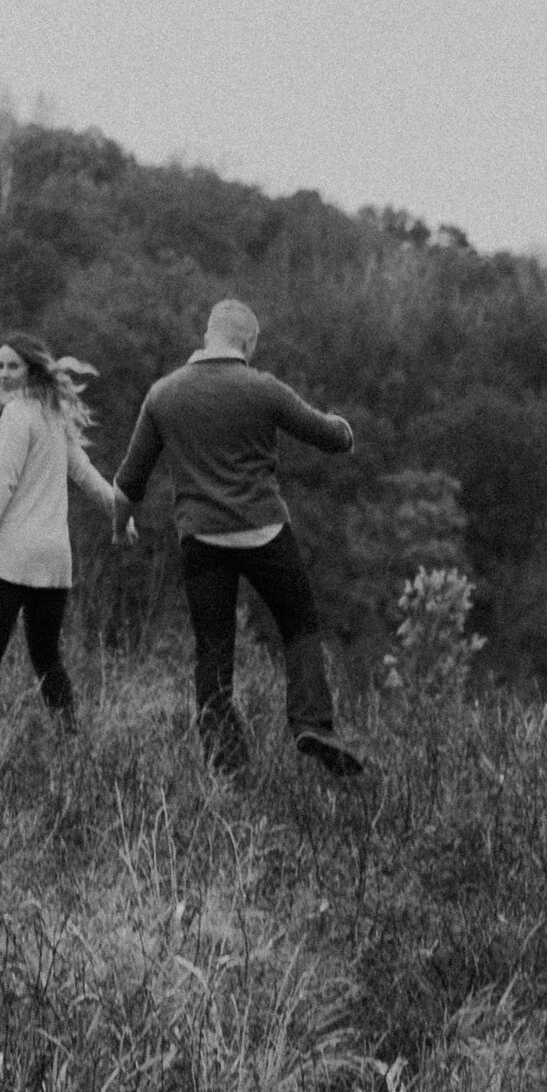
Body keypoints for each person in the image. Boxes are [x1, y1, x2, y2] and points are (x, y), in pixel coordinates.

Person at [112, 298, 369, 776]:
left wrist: (119, 523)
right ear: (248, 343)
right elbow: (326, 435)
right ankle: (313, 724)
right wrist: (347, 429)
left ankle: (226, 762)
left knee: (213, 647)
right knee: (299, 624)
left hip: (202, 540)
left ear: (208, 334)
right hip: (264, 531)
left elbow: (128, 483)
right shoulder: (261, 389)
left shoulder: (163, 395)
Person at [0, 336, 116, 731]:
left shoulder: (15, 415)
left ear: (31, 369)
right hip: (54, 559)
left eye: (13, 366)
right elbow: (90, 479)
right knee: (47, 657)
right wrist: (122, 514)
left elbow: (3, 485)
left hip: (11, 553)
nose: (4, 374)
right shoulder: (53, 417)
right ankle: (71, 740)